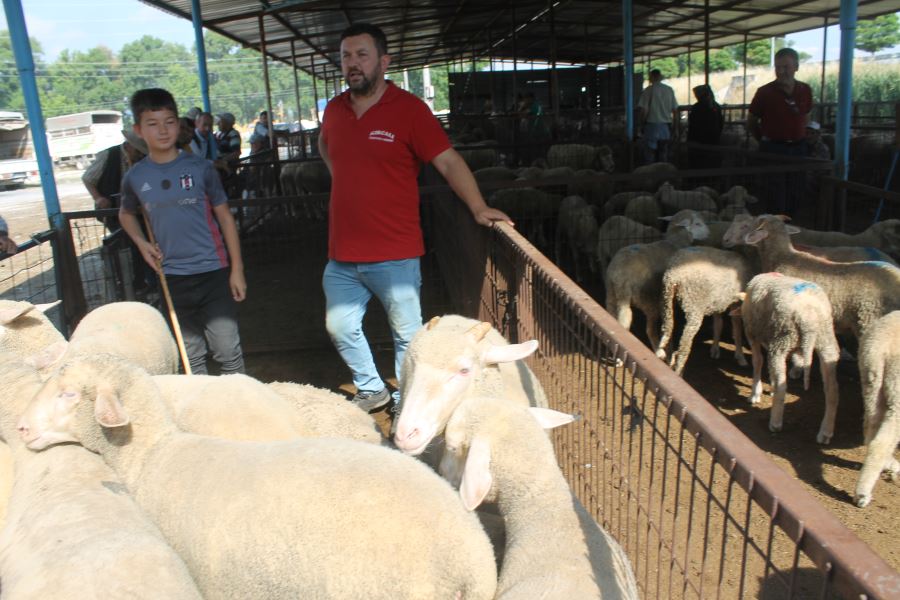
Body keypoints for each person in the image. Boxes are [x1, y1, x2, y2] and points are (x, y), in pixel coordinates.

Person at [318, 22, 512, 413]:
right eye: (346, 57)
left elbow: (448, 160)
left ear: (383, 61)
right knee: (339, 326)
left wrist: (477, 206)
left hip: (395, 251)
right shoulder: (335, 110)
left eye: (361, 55)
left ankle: (408, 397)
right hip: (343, 252)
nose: (352, 64)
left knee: (408, 335)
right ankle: (372, 388)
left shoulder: (409, 110)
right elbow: (326, 147)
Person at [119, 88, 247, 376]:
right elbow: (125, 214)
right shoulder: (136, 177)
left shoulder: (201, 169)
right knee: (190, 356)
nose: (163, 130)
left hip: (214, 272)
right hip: (172, 276)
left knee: (228, 350)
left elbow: (225, 218)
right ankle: (200, 413)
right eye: (152, 124)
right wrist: (141, 243)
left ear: (179, 124)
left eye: (169, 121)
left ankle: (240, 408)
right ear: (139, 130)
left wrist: (236, 269)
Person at [82, 128, 154, 292]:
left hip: (136, 210)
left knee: (139, 243)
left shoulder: (141, 161)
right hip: (114, 210)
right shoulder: (109, 155)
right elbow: (88, 178)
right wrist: (99, 198)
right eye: (139, 151)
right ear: (130, 146)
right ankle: (130, 284)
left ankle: (141, 282)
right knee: (125, 245)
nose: (140, 155)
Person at [748, 47, 813, 215]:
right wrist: (764, 140)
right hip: (773, 148)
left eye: (786, 67)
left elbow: (807, 115)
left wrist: (804, 134)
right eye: (778, 67)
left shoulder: (805, 90)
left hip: (798, 147)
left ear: (796, 67)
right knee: (774, 191)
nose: (781, 71)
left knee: (796, 189)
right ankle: (773, 228)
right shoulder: (765, 92)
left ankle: (792, 225)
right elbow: (752, 120)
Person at [637, 69, 679, 164]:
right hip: (665, 128)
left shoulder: (648, 91)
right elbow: (675, 110)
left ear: (652, 77)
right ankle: (663, 176)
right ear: (660, 77)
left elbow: (644, 110)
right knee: (663, 155)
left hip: (651, 127)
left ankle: (651, 176)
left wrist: (641, 125)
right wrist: (676, 128)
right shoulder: (669, 90)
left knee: (650, 156)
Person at [687, 84, 724, 169]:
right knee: (712, 164)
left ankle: (697, 180)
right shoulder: (716, 106)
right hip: (713, 141)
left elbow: (693, 125)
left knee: (698, 165)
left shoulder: (697, 107)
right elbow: (721, 123)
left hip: (698, 143)